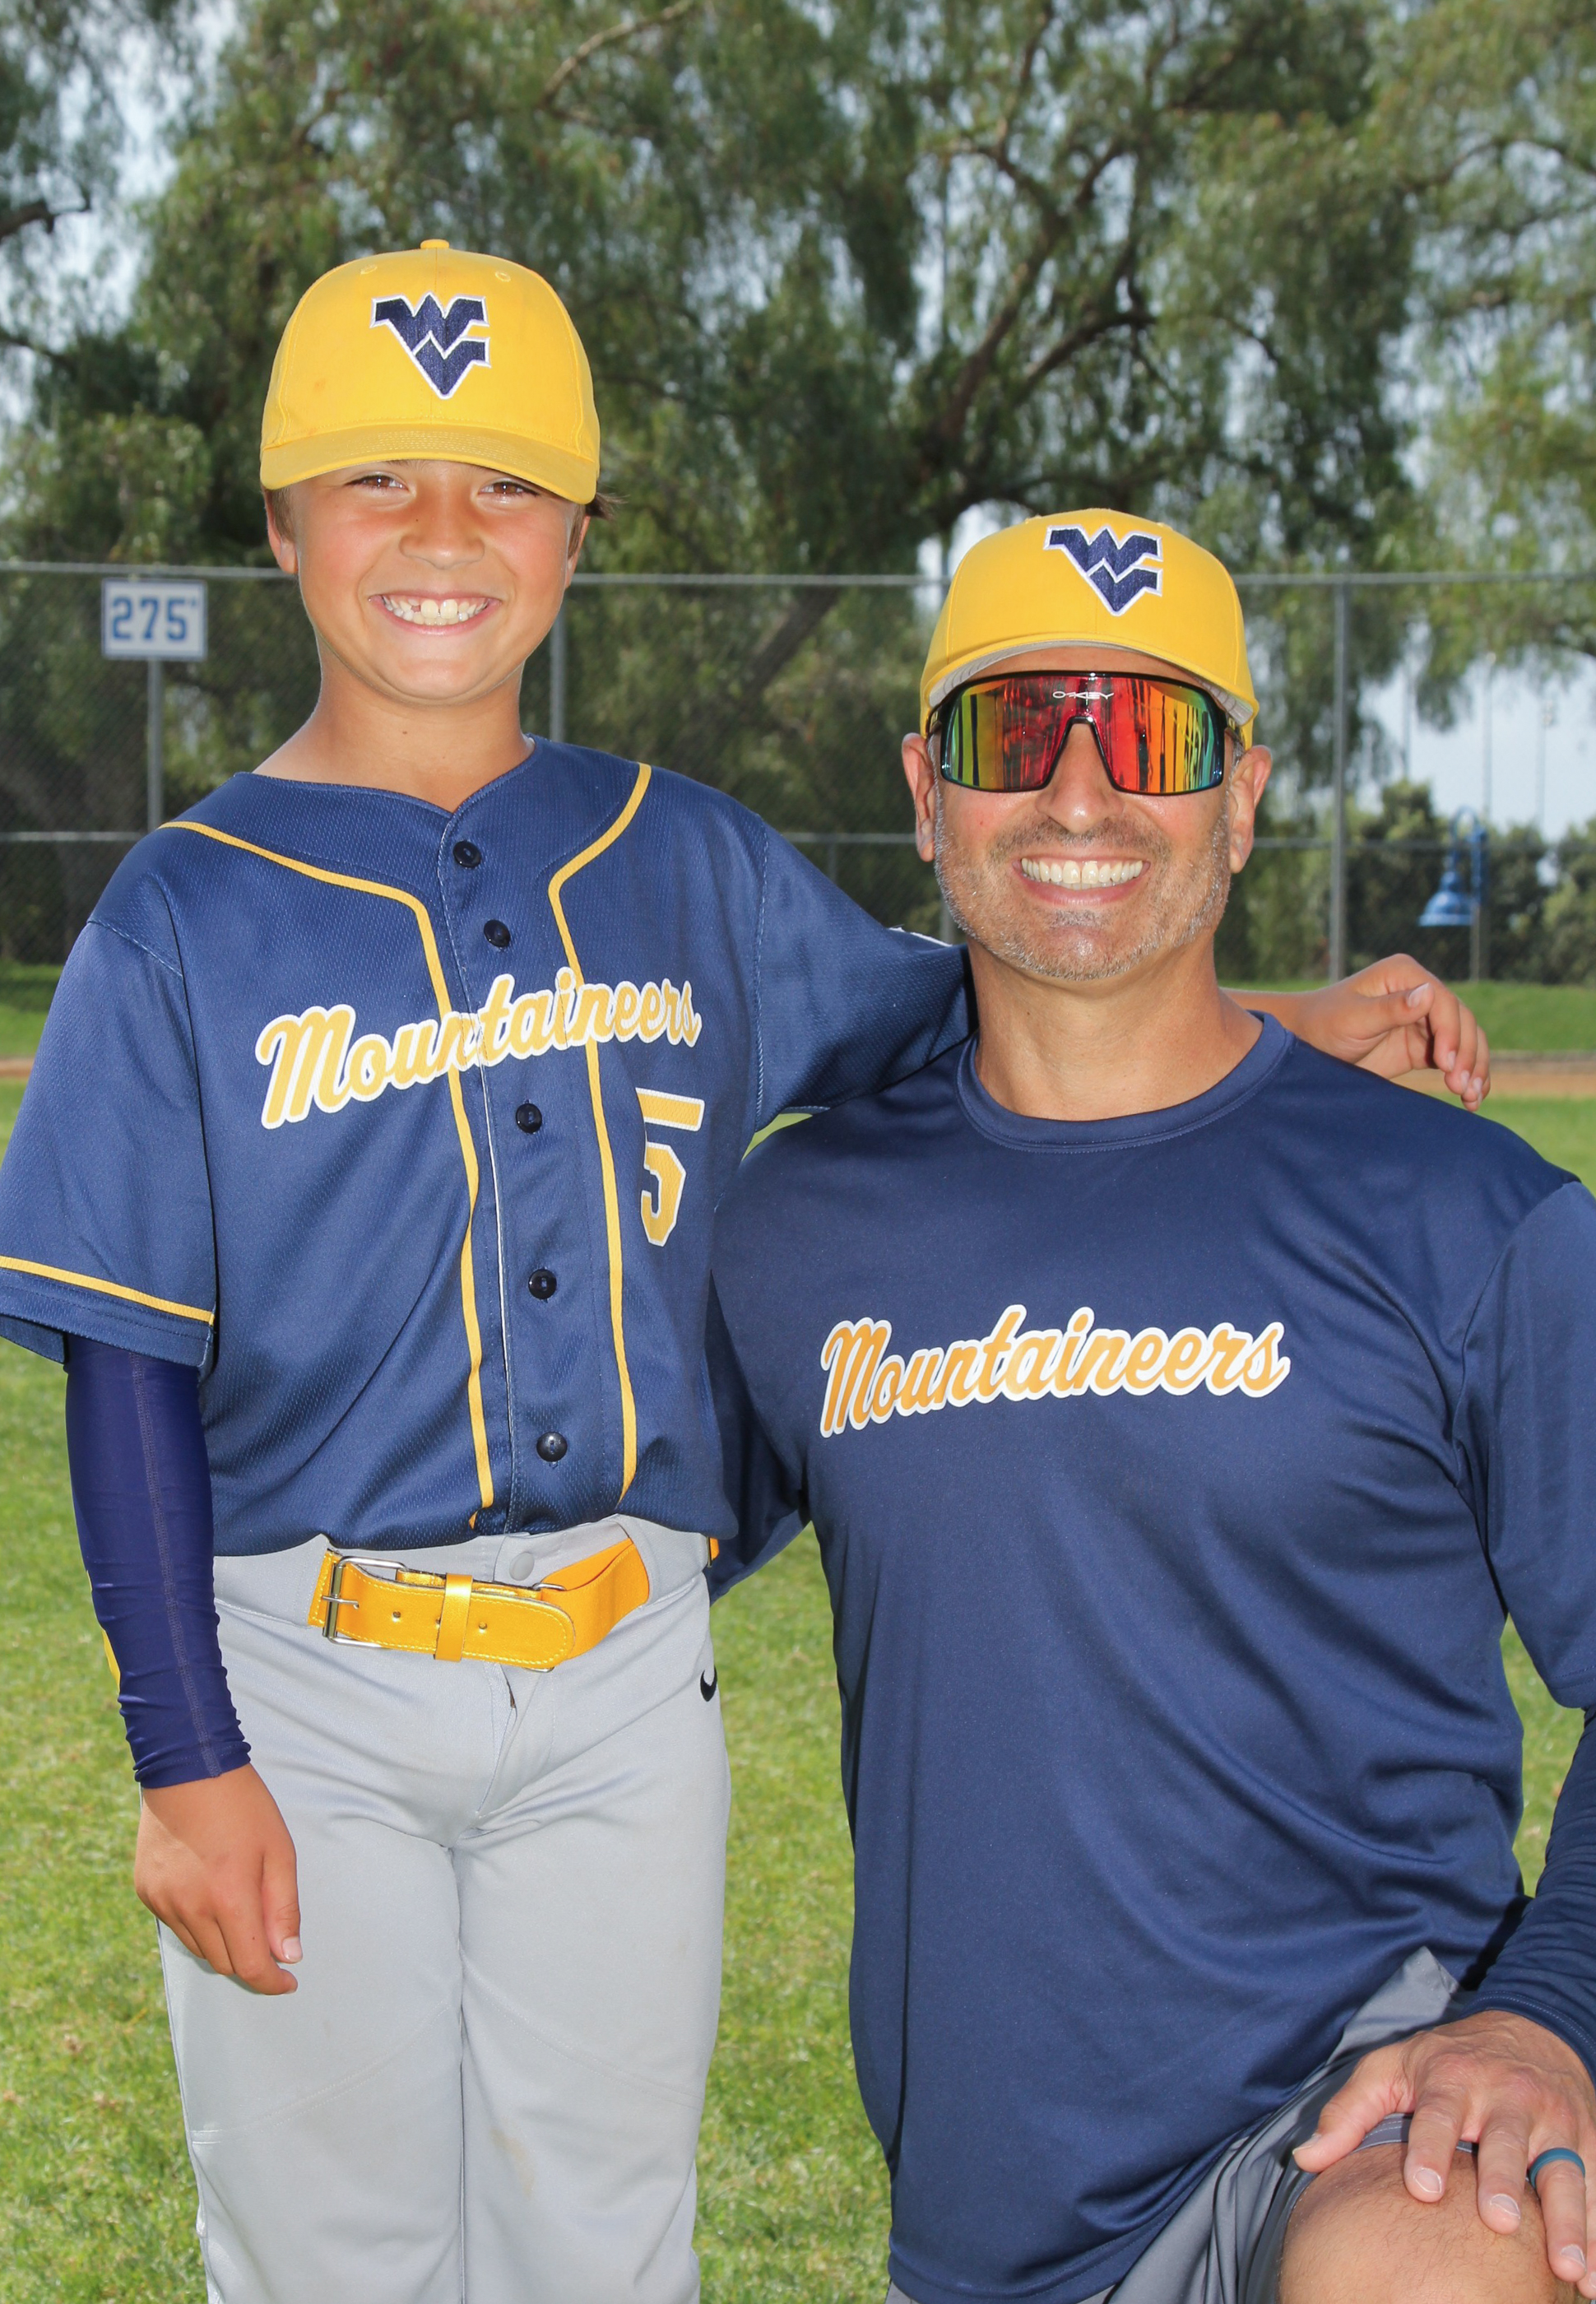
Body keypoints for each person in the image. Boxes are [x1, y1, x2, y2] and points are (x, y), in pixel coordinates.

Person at [0, 240, 1483, 2304]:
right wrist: (184, 1754)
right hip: (306, 1672)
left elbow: (976, 1007)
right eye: (377, 477)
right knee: (334, 2256)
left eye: (504, 484)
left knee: (610, 2242)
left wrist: (1274, 1022)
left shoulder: (679, 853)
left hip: (621, 1682)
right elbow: (123, 1360)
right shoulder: (180, 911)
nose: (441, 534)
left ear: (579, 532)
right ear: (284, 522)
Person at [707, 510, 1596, 2304]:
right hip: (990, 2212)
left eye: (1151, 732)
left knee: (1447, 2261)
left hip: (1359, 2117)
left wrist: (1547, 2018)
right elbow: (597, 1537)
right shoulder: (795, 1224)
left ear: (1241, 797)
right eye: (1016, 729)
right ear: (928, 792)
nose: (1081, 791)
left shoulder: (1467, 1217)